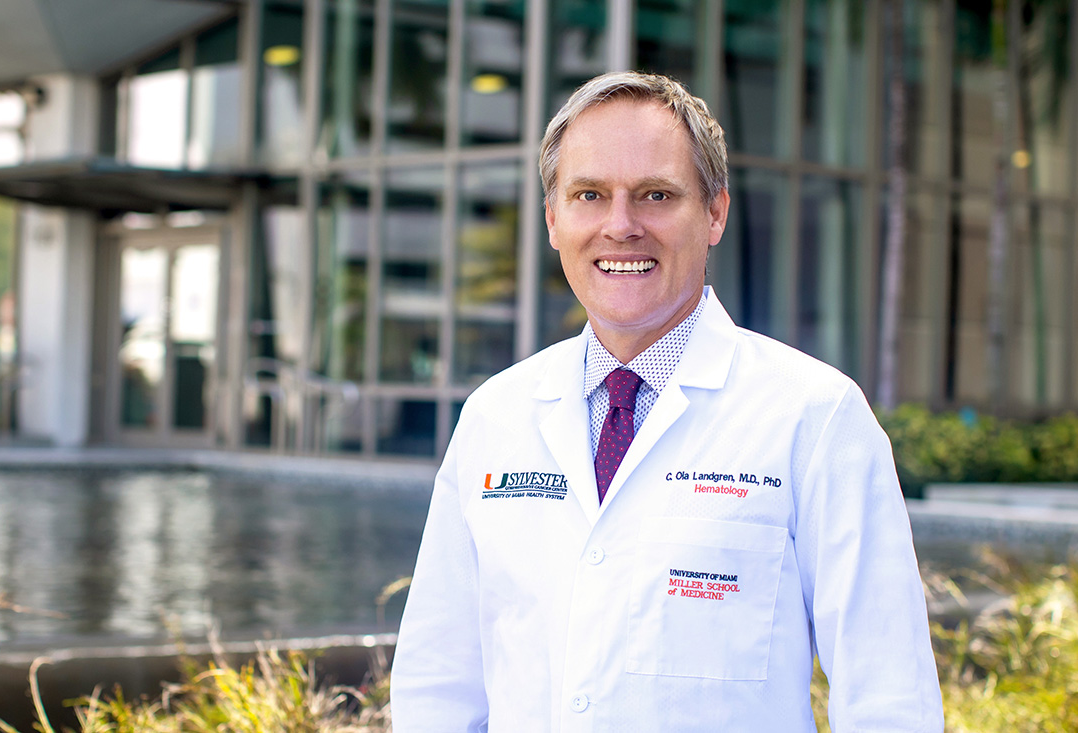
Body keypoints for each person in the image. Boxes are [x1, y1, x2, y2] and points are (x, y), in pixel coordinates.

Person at [390, 71, 943, 731]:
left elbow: (889, 696)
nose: (620, 226)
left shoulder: (815, 417)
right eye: (589, 194)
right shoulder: (495, 416)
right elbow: (438, 686)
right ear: (553, 219)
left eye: (656, 194)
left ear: (714, 213)